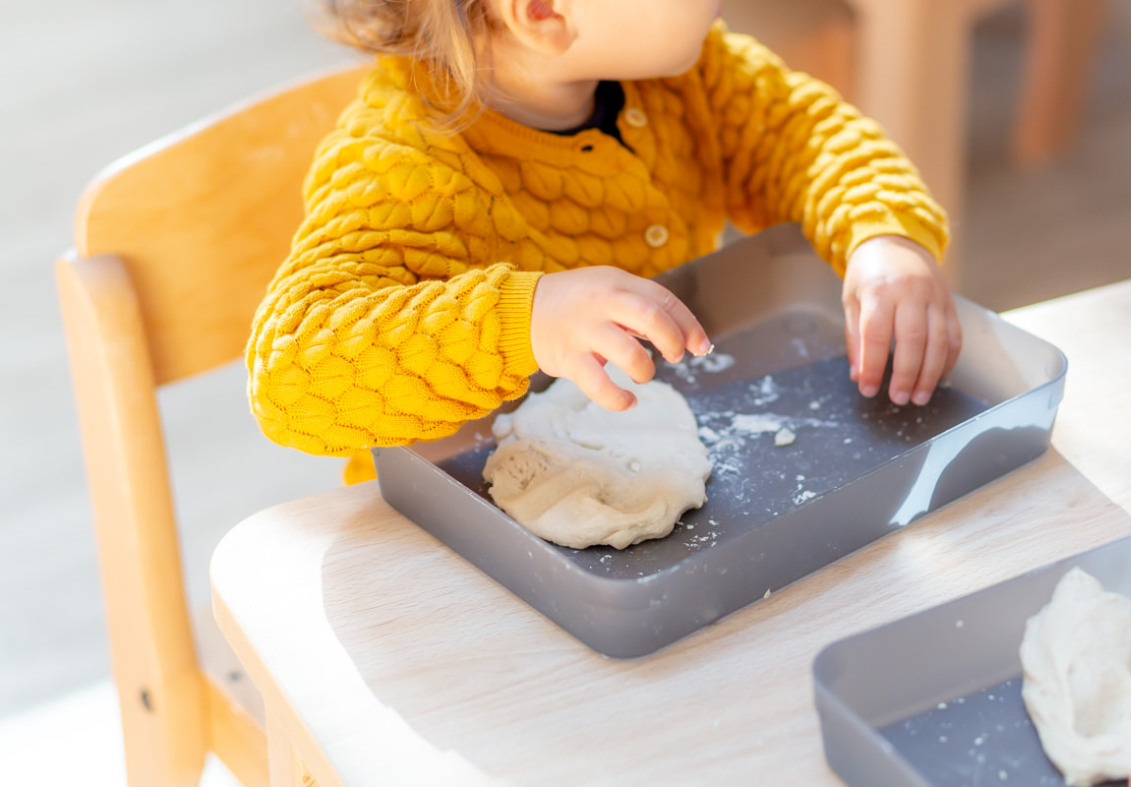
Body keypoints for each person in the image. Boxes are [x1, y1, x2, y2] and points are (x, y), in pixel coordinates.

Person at [246, 0, 962, 484]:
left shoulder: (690, 76)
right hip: (464, 554)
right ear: (543, 11)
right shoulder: (402, 165)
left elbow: (801, 137)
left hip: (662, 471)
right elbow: (290, 377)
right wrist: (525, 322)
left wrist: (883, 233)